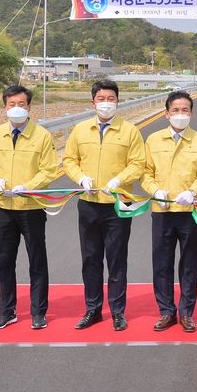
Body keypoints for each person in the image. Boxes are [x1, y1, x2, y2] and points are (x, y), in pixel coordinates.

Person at [63, 79, 145, 331]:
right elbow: (69, 159)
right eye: (101, 99)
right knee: (91, 259)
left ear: (118, 102)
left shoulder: (129, 131)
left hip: (118, 204)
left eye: (111, 99)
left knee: (117, 259)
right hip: (89, 204)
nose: (106, 103)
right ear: (93, 102)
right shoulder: (80, 130)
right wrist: (80, 177)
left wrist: (120, 179)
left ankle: (118, 311)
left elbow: (138, 162)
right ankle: (93, 309)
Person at [0, 84, 58, 330]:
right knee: (4, 261)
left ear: (29, 107)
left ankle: (38, 312)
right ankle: (7, 311)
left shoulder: (41, 135)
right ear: (4, 107)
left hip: (31, 206)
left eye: (21, 104)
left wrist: (29, 186)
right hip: (3, 207)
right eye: (11, 104)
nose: (16, 108)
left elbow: (49, 169)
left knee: (37, 260)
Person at [141, 90, 197, 333]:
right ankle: (166, 311)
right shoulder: (153, 140)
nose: (180, 114)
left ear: (191, 114)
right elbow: (145, 172)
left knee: (189, 264)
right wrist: (155, 191)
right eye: (175, 110)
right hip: (161, 211)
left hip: (190, 211)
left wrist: (193, 192)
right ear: (166, 114)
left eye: (185, 110)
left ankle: (186, 312)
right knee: (161, 263)